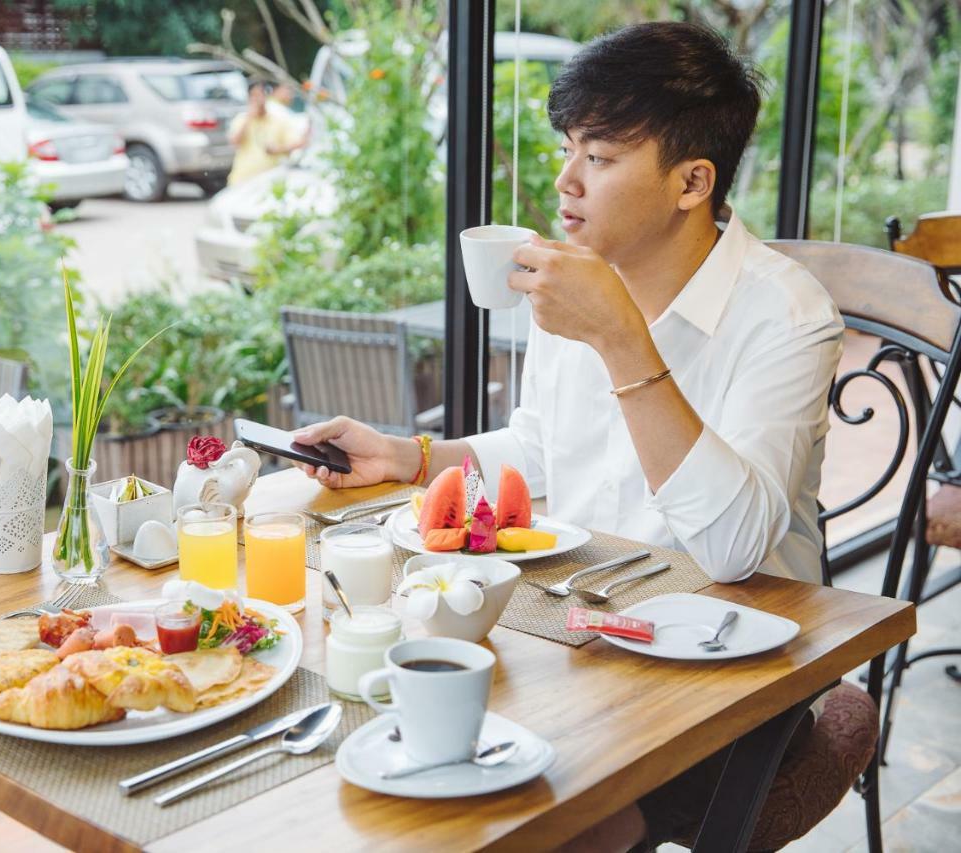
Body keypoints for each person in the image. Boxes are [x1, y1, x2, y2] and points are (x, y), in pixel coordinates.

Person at [292, 21, 844, 852]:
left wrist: (623, 339)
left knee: (535, 820)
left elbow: (733, 549)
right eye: (567, 147)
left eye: (601, 155)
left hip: (737, 669)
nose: (565, 179)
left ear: (693, 181)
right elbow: (543, 451)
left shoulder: (789, 314)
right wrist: (411, 456)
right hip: (582, 634)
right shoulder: (573, 280)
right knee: (387, 762)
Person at [227, 81, 305, 186]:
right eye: (254, 96)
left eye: (260, 95)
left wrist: (278, 149)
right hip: (243, 180)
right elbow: (235, 142)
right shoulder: (242, 119)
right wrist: (249, 118)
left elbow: (299, 142)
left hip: (270, 180)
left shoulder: (278, 120)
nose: (258, 99)